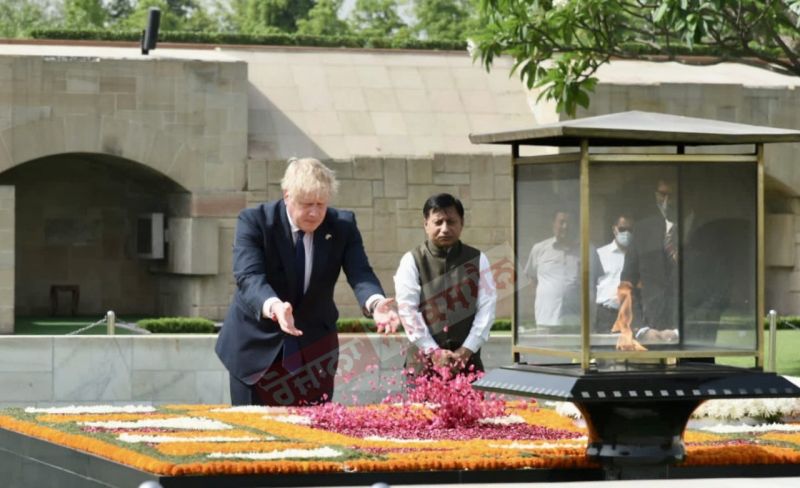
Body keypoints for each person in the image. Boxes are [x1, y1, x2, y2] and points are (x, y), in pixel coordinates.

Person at [215, 157, 399, 406]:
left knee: (315, 434)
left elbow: (360, 272)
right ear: (287, 195)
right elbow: (249, 277)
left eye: (321, 204)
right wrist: (275, 307)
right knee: (256, 435)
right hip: (256, 350)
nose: (314, 212)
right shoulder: (255, 222)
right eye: (306, 204)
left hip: (314, 353)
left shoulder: (342, 225)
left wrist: (375, 303)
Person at [394, 193, 497, 374]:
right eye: (438, 222)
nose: (445, 228)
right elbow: (408, 310)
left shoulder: (478, 259)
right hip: (422, 367)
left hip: (466, 364)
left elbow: (486, 309)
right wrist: (433, 351)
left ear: (461, 223)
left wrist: (467, 350)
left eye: (451, 222)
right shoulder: (411, 260)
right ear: (426, 224)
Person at [614, 178, 681, 350]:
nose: (667, 201)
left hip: (691, 340)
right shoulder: (643, 230)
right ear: (655, 196)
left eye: (671, 195)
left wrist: (680, 331)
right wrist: (641, 329)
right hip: (650, 335)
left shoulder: (697, 230)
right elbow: (626, 284)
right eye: (662, 195)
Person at [524, 209, 580, 327]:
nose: (565, 226)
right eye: (561, 222)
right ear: (553, 223)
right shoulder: (539, 249)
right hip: (546, 317)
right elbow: (532, 280)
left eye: (569, 223)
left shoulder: (586, 251)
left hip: (575, 319)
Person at [592, 213, 634, 333]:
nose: (626, 233)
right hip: (607, 314)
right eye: (622, 229)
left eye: (630, 229)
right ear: (614, 229)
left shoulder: (637, 256)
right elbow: (590, 285)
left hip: (632, 314)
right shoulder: (600, 254)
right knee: (604, 349)